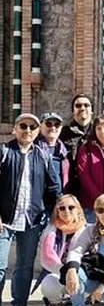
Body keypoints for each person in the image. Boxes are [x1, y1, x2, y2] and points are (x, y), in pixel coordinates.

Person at [0, 113, 63, 306]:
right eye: (23, 126)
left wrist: (57, 213)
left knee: (25, 266)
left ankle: (19, 303)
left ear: (37, 132)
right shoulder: (4, 152)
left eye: (32, 127)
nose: (28, 130)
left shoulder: (43, 156)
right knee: (0, 265)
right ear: (15, 129)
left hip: (32, 221)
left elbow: (54, 188)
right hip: (5, 220)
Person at [38, 195, 88, 306]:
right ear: (57, 211)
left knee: (77, 277)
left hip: (80, 275)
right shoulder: (50, 229)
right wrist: (63, 272)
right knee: (48, 283)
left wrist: (71, 271)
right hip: (58, 273)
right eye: (62, 208)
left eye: (71, 207)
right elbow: (45, 257)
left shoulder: (87, 230)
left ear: (78, 210)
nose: (66, 211)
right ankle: (56, 303)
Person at [60, 94, 96, 194]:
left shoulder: (98, 132)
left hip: (94, 189)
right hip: (69, 189)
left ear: (92, 110)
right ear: (73, 110)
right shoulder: (63, 133)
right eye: (78, 106)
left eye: (86, 105)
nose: (82, 108)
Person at [37, 111, 71, 190]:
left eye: (57, 125)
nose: (53, 128)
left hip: (60, 195)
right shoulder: (34, 150)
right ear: (40, 127)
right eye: (48, 124)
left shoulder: (65, 151)